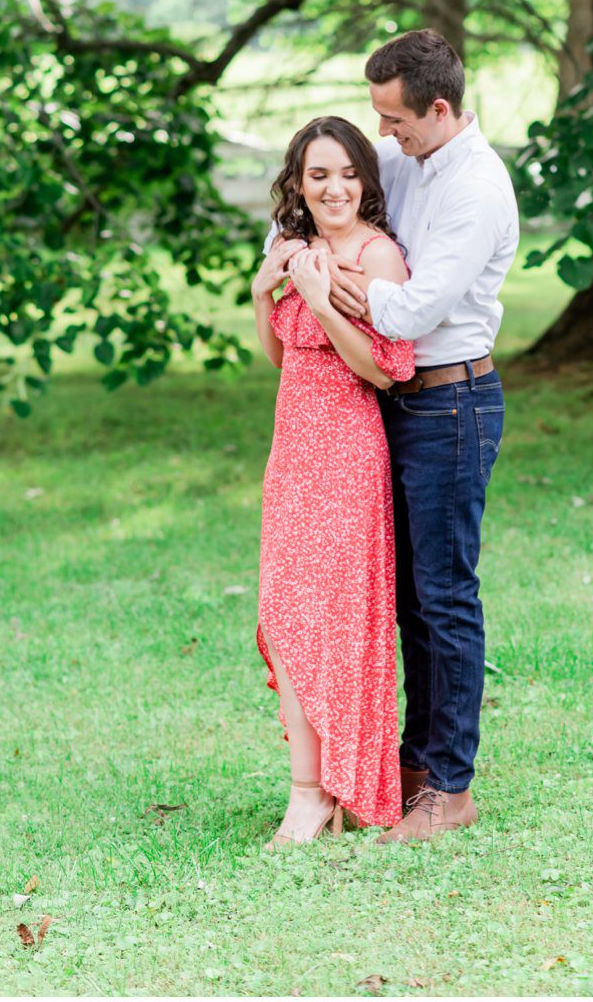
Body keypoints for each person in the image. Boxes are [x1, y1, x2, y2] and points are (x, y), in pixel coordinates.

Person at [277, 29, 518, 844]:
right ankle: (411, 767)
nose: (384, 134)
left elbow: (411, 311)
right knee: (407, 599)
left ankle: (450, 788)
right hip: (401, 409)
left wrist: (324, 286)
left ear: (439, 108)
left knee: (445, 597)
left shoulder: (477, 188)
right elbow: (372, 239)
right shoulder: (417, 164)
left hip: (452, 404)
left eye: (394, 120)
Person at [251, 117, 416, 844]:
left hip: (348, 451)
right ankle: (310, 786)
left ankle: (326, 791)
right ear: (297, 184)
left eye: (347, 172)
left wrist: (320, 300)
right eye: (318, 175)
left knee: (338, 622)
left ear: (365, 180)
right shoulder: (295, 249)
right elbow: (283, 360)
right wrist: (266, 294)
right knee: (286, 617)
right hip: (293, 452)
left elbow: (383, 368)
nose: (334, 187)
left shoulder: (379, 258)